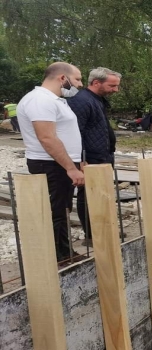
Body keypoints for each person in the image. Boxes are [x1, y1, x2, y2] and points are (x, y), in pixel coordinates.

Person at [16, 62, 84, 265]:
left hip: (59, 163)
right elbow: (47, 138)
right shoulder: (40, 100)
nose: (80, 85)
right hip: (50, 164)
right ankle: (58, 257)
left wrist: (78, 161)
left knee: (62, 208)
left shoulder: (54, 100)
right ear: (63, 78)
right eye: (78, 79)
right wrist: (70, 168)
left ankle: (64, 252)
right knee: (56, 210)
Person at [67, 67, 121, 246]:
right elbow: (76, 133)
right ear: (96, 82)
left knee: (103, 193)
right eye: (112, 86)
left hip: (103, 155)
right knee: (87, 196)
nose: (116, 90)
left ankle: (104, 229)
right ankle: (91, 234)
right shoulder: (82, 101)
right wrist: (81, 160)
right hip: (91, 157)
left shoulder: (97, 100)